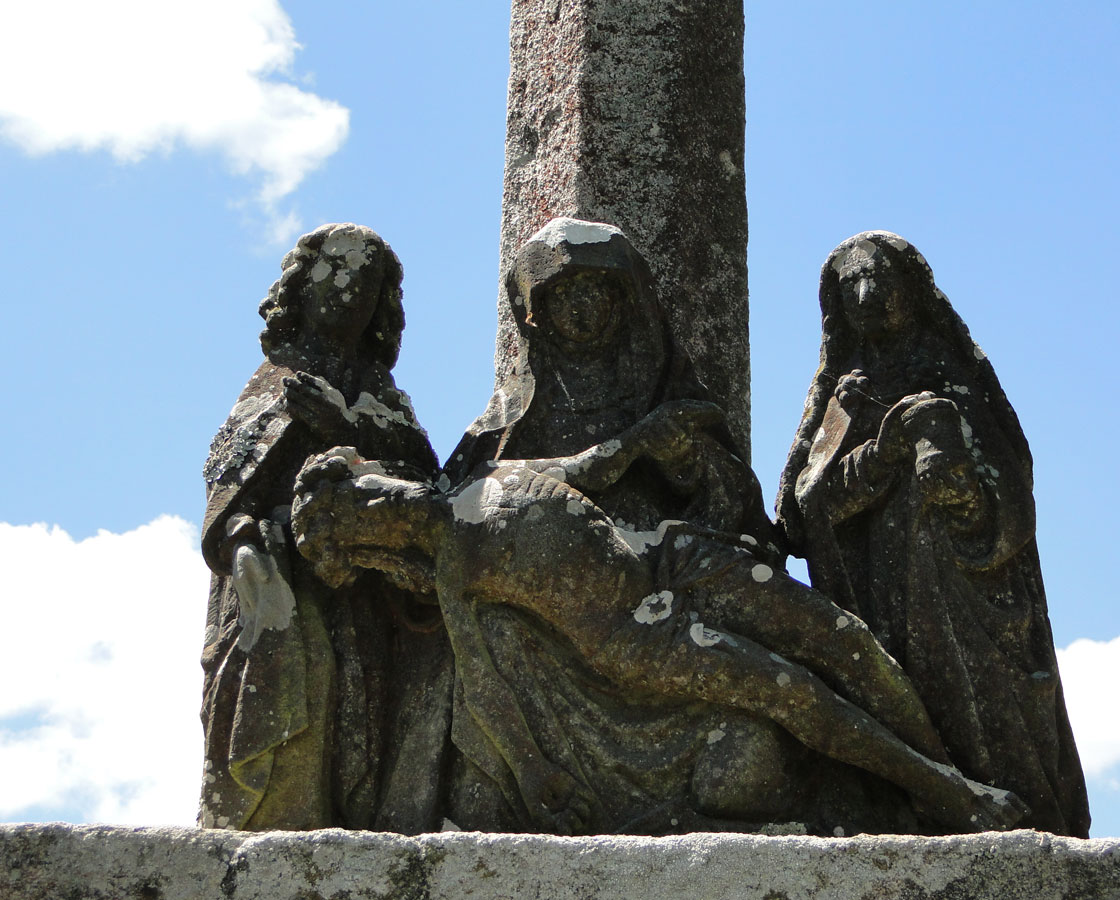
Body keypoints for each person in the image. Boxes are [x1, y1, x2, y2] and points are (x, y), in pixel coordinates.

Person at [291, 440, 1029, 836]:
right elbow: (482, 683)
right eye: (365, 519)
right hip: (636, 638)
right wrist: (533, 771)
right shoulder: (454, 570)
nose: (381, 505)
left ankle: (942, 771)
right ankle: (951, 795)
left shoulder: (485, 477)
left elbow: (587, 469)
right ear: (375, 549)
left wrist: (654, 434)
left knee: (841, 637)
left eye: (368, 491)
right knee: (797, 696)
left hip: (669, 555)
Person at [776, 231, 1090, 837]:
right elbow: (800, 511)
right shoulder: (845, 390)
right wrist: (880, 449)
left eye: (881, 281)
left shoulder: (956, 377)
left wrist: (967, 498)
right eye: (850, 286)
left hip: (967, 593)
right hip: (876, 598)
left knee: (995, 722)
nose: (866, 295)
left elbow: (1012, 490)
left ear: (913, 291)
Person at [199, 223, 445, 831]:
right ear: (299, 288)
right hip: (283, 576)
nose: (349, 290)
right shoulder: (275, 382)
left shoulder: (386, 398)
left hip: (367, 591)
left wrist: (352, 431)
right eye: (334, 271)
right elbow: (230, 484)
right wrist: (244, 539)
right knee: (303, 696)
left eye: (366, 280)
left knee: (362, 718)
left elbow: (425, 492)